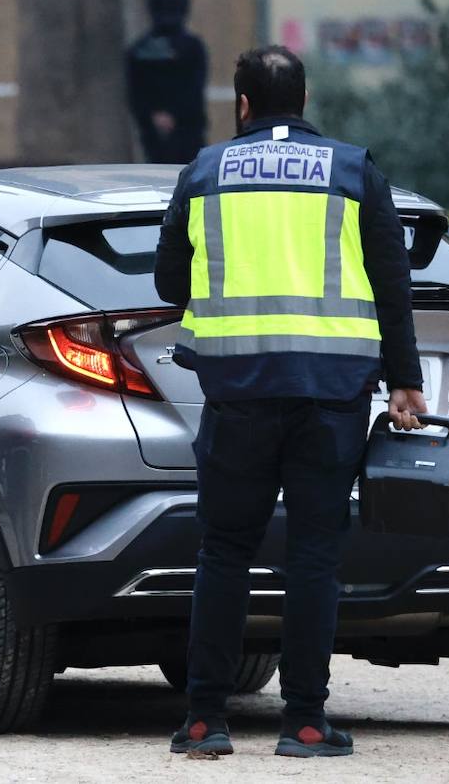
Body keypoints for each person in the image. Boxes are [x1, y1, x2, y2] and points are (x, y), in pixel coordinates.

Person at [154, 46, 427, 759]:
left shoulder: (204, 172)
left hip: (237, 395)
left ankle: (205, 721)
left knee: (224, 552)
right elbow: (392, 285)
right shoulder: (352, 169)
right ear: (304, 102)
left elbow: (165, 282)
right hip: (331, 395)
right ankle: (305, 722)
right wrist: (405, 381)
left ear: (242, 105)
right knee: (313, 558)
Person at [125, 0, 208, 165]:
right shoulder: (193, 47)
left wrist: (154, 115)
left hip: (154, 130)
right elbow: (195, 88)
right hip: (187, 129)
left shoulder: (139, 49)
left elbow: (135, 93)